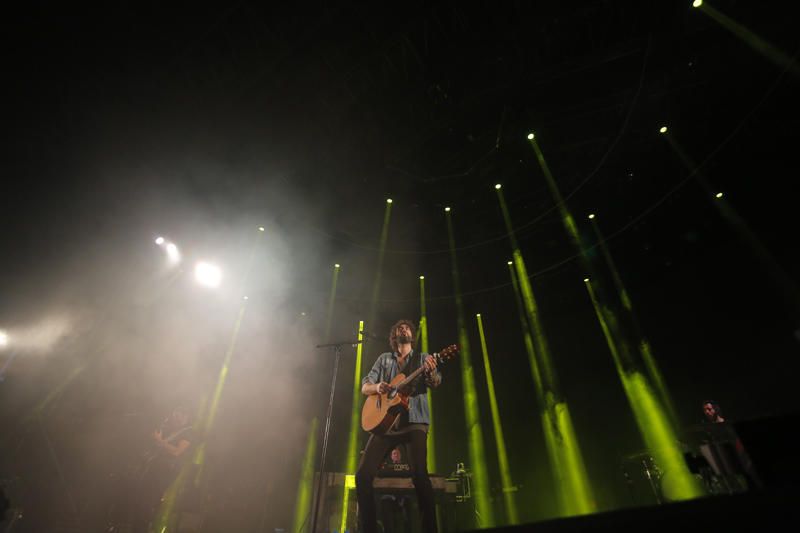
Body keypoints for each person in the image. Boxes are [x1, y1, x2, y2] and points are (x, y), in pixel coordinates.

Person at [356, 319, 441, 533]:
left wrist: (430, 372)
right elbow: (365, 386)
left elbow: (436, 382)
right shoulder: (384, 359)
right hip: (386, 424)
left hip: (415, 422)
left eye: (407, 328)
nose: (403, 329)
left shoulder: (423, 359)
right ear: (394, 337)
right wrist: (379, 386)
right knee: (362, 476)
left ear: (412, 335)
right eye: (399, 329)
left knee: (420, 475)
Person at [133, 406, 194, 533]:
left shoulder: (188, 433)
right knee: (140, 500)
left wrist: (159, 440)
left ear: (187, 417)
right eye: (176, 414)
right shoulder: (167, 427)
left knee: (149, 501)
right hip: (154, 469)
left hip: (166, 472)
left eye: (181, 415)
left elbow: (177, 452)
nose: (177, 417)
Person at [378, 447, 413, 533]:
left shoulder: (407, 467)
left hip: (403, 497)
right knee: (385, 502)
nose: (396, 455)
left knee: (409, 504)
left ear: (400, 456)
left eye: (398, 453)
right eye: (394, 454)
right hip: (390, 497)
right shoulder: (387, 466)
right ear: (391, 457)